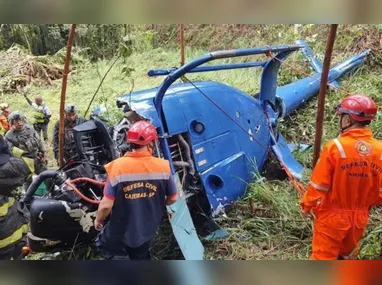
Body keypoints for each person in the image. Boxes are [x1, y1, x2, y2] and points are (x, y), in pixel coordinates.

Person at [300, 94, 382, 260]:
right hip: (359, 218)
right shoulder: (379, 150)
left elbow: (318, 184)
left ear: (347, 120)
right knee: (345, 257)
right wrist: (364, 206)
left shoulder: (335, 147)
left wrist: (307, 205)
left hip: (332, 217)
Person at [94, 120, 179, 260]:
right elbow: (173, 198)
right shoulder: (163, 166)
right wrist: (156, 201)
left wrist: (99, 220)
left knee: (105, 245)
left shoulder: (117, 167)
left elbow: (106, 205)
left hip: (121, 230)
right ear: (151, 142)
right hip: (147, 229)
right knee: (141, 254)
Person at [0, 134, 32, 260]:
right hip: (15, 237)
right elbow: (29, 161)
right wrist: (9, 147)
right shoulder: (13, 169)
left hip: (14, 237)